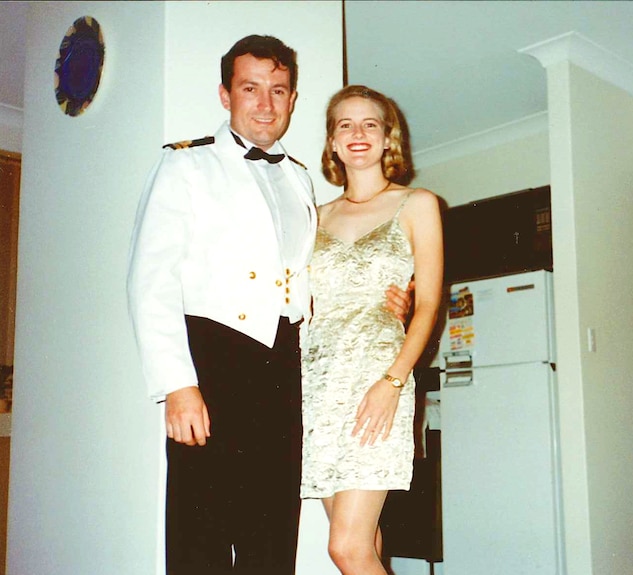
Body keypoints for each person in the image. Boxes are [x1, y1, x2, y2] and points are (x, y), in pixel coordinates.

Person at [127, 37, 410, 574]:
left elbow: (313, 276)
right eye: (250, 88)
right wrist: (177, 384)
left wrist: (387, 300)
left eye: (277, 90)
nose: (264, 103)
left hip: (285, 368)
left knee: (271, 536)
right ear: (225, 94)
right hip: (211, 359)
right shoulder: (186, 166)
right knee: (200, 533)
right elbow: (150, 280)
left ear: (293, 99)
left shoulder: (300, 177)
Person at [300, 85, 443, 575]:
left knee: (346, 548)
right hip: (316, 386)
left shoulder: (417, 203)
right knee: (366, 538)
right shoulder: (312, 218)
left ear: (388, 139)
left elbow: (427, 305)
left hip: (378, 376)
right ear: (333, 143)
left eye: (370, 124)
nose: (357, 134)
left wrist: (393, 381)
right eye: (345, 125)